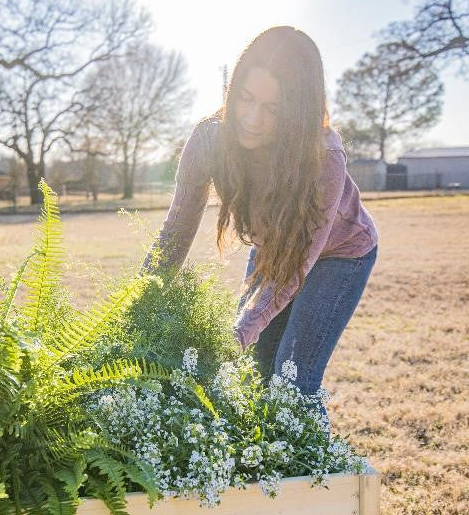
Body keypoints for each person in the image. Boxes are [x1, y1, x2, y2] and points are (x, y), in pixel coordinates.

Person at [142, 26, 378, 433]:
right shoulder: (208, 139)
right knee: (255, 375)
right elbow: (175, 232)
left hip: (339, 256)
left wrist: (238, 334)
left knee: (291, 383)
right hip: (274, 249)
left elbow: (296, 263)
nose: (251, 120)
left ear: (297, 110)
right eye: (245, 100)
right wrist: (137, 303)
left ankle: (323, 486)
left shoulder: (323, 157)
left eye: (272, 109)